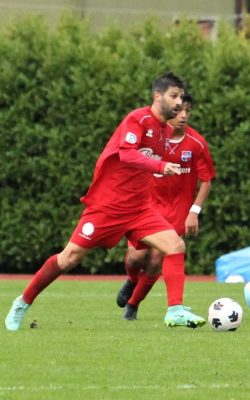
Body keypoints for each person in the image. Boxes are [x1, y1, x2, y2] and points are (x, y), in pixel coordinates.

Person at [5, 72, 206, 331]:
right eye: (174, 96)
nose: (179, 103)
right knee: (68, 259)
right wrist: (161, 165)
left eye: (181, 97)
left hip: (140, 209)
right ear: (157, 96)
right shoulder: (137, 119)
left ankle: (175, 310)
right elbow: (126, 154)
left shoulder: (165, 130)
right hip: (108, 208)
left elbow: (143, 168)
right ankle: (23, 301)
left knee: (175, 245)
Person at [115, 93, 216, 321]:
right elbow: (130, 159)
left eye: (187, 111)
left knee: (156, 259)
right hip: (147, 206)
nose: (183, 116)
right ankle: (132, 280)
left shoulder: (197, 143)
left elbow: (207, 179)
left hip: (177, 211)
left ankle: (132, 305)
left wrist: (194, 211)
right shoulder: (152, 136)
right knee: (135, 258)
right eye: (178, 110)